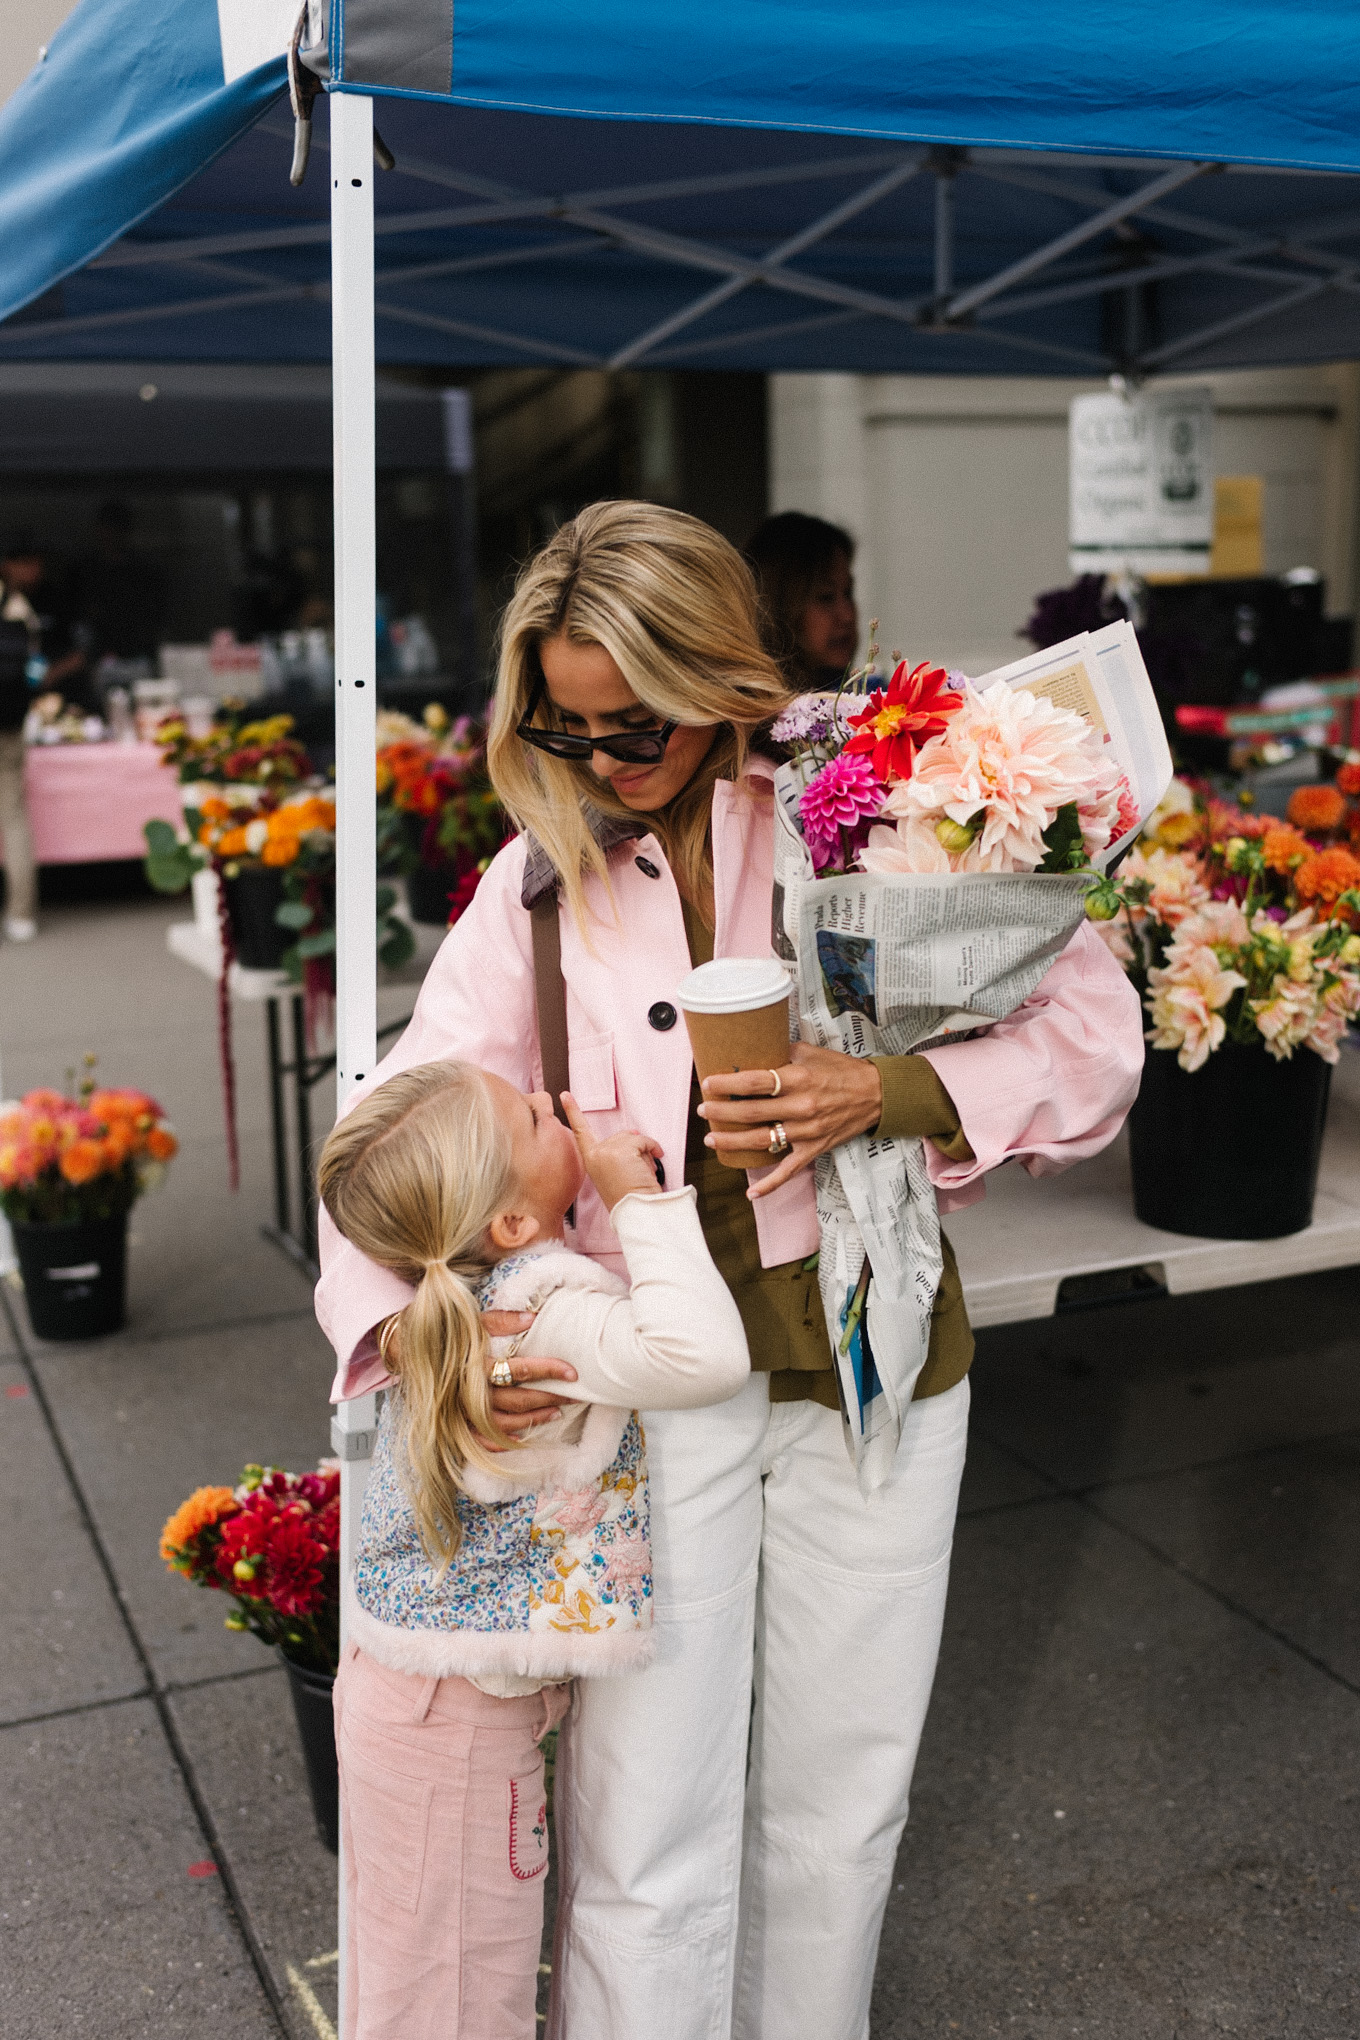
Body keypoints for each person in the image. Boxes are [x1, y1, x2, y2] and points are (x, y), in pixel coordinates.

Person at [316, 501, 1144, 2040]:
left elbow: (1099, 1042)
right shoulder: (535, 886)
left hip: (875, 1364)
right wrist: (410, 1338)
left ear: (718, 681)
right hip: (644, 1391)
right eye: (560, 732)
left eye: (630, 728)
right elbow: (394, 1132)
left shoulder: (887, 802)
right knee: (644, 1832)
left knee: (841, 1806)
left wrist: (892, 1094)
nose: (597, 766)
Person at [318, 1057, 749, 2040]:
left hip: (408, 1699)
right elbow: (703, 1356)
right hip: (456, 1733)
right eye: (528, 1117)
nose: (556, 1105)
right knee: (461, 1998)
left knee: (417, 1984)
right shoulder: (543, 1306)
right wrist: (638, 1200)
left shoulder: (452, 1313)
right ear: (510, 1223)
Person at [745, 508, 859, 688]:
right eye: (826, 597)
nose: (847, 616)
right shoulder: (755, 710)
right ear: (780, 604)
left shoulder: (865, 695)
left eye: (848, 593)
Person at [0, 540, 44, 940]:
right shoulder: (16, 607)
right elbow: (31, 671)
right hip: (8, 724)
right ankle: (21, 915)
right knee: (13, 817)